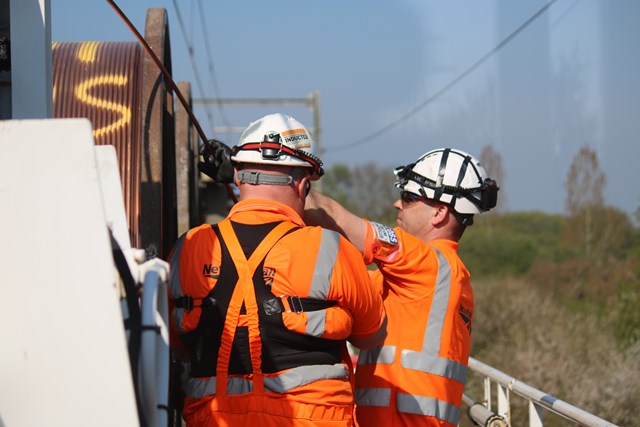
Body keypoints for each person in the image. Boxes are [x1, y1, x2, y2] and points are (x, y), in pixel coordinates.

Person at [167, 113, 387, 427]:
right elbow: (372, 334)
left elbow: (177, 344)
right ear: (303, 184)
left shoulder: (186, 249)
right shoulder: (332, 250)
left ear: (238, 177)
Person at [303, 148, 499, 427]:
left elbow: (336, 220)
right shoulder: (437, 278)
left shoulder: (428, 265)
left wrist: (280, 177)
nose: (397, 203)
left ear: (440, 213)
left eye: (409, 198)